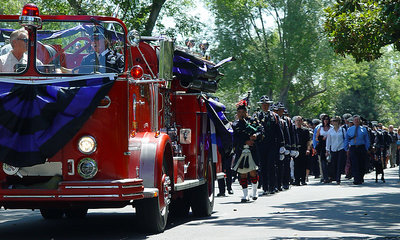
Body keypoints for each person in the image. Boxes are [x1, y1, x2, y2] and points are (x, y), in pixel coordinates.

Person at [232, 98, 263, 202]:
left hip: (253, 150)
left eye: (242, 112)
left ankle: (254, 192)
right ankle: (245, 195)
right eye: (239, 112)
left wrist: (255, 136)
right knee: (242, 173)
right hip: (241, 150)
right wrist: (245, 142)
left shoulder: (253, 121)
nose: (241, 114)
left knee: (253, 172)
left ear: (246, 112)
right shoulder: (235, 124)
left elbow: (261, 132)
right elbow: (235, 138)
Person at [254, 96, 284, 195]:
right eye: (263, 104)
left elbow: (279, 131)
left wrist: (282, 144)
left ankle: (272, 186)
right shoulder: (257, 116)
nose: (265, 106)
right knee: (263, 166)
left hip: (272, 144)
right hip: (261, 145)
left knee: (271, 165)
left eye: (267, 104)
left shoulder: (274, 116)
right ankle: (265, 187)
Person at [344, 115, 370, 185]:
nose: (356, 121)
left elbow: (366, 139)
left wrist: (367, 148)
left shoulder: (363, 129)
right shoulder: (350, 129)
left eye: (358, 120)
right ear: (353, 121)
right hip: (353, 147)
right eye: (355, 120)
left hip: (361, 147)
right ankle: (356, 179)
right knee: (354, 163)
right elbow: (346, 139)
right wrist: (346, 148)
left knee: (361, 163)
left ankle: (361, 177)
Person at [326, 116, 346, 184]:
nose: (334, 122)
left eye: (335, 121)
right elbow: (328, 141)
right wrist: (327, 150)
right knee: (334, 164)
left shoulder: (342, 130)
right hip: (333, 149)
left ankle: (338, 178)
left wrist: (346, 148)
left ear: (338, 122)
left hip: (341, 148)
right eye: (333, 121)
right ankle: (334, 176)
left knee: (340, 164)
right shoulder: (330, 131)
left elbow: (345, 139)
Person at [293, 116, 311, 185]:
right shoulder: (293, 130)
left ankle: (303, 180)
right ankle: (297, 180)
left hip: (303, 149)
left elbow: (308, 141)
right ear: (295, 122)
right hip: (296, 149)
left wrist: (308, 149)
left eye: (300, 120)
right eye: (297, 120)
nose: (298, 122)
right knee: (296, 165)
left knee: (303, 165)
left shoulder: (305, 130)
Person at [316, 114, 332, 183]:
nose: (326, 121)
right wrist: (322, 138)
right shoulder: (320, 128)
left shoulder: (331, 128)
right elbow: (316, 137)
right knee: (323, 162)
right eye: (325, 119)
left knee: (330, 162)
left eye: (327, 119)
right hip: (322, 146)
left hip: (330, 145)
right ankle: (325, 177)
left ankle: (330, 176)